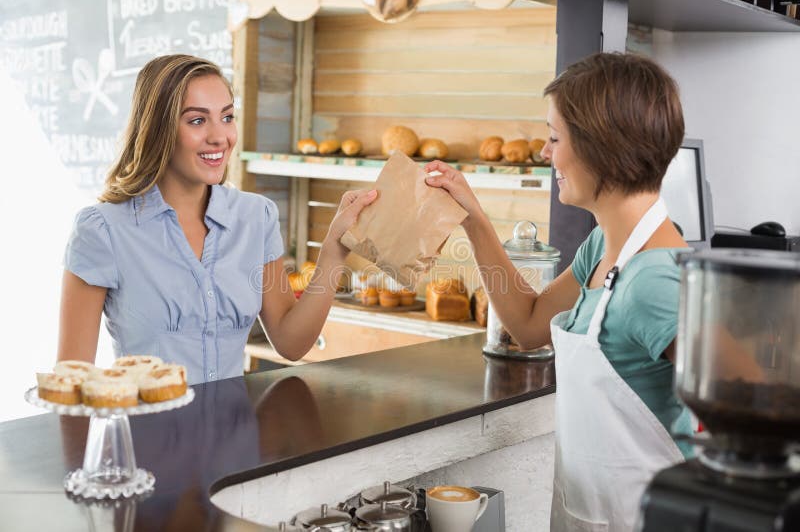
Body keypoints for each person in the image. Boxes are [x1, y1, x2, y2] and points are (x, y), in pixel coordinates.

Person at [425, 52, 693, 532]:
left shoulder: (653, 282)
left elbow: (748, 407)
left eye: (554, 138)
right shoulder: (604, 247)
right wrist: (474, 219)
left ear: (600, 146)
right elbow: (528, 325)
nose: (546, 154)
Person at [57, 54, 376, 384]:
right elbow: (70, 384)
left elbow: (290, 342)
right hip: (147, 436)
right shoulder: (102, 231)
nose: (220, 137)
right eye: (197, 121)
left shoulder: (256, 217)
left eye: (227, 117)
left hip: (236, 435)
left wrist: (334, 250)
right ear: (157, 129)